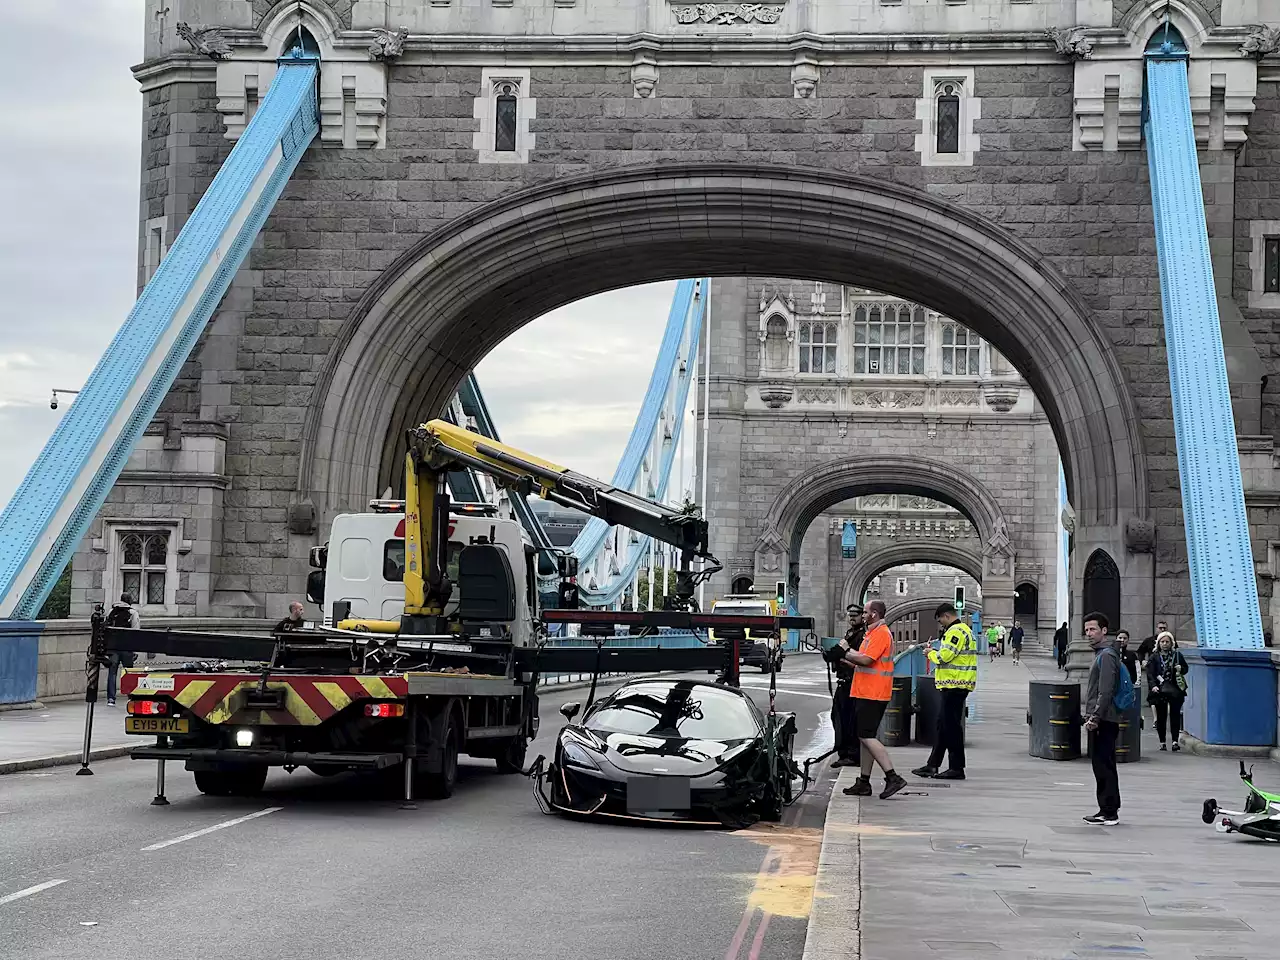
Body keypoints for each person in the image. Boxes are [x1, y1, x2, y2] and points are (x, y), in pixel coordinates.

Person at [836, 600, 909, 800]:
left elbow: (867, 659)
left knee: (867, 736)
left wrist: (845, 650)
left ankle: (892, 776)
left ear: (874, 614)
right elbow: (863, 662)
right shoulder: (871, 633)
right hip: (864, 690)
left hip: (874, 693)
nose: (862, 614)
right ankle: (864, 782)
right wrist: (844, 659)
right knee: (863, 736)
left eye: (866, 612)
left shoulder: (882, 634)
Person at [912, 603, 978, 780]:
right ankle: (932, 765)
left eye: (940, 619)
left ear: (947, 616)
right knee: (943, 725)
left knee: (951, 727)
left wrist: (930, 653)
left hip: (955, 685)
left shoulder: (955, 631)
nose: (941, 624)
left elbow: (944, 657)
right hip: (956, 684)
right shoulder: (964, 629)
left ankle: (957, 768)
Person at [1082, 611, 1123, 825]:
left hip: (1104, 720)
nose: (1089, 633)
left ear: (1104, 631)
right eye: (1087, 629)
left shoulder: (1106, 656)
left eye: (1093, 629)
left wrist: (1095, 717)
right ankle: (1106, 808)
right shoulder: (1102, 654)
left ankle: (1109, 811)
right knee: (1102, 764)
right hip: (1103, 718)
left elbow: (1105, 691)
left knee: (1103, 765)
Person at [825, 604, 864, 768]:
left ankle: (851, 754)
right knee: (838, 717)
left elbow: (860, 660)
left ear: (862, 616)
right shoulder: (851, 633)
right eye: (850, 615)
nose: (852, 618)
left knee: (849, 720)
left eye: (855, 615)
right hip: (843, 682)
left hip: (852, 682)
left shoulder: (862, 635)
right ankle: (843, 752)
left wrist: (840, 658)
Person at [1146, 631, 1188, 752]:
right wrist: (1153, 685)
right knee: (1161, 716)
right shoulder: (1154, 657)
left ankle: (1175, 741)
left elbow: (1185, 669)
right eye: (1162, 642)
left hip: (1174, 689)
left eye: (1167, 642)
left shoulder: (1177, 656)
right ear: (1158, 643)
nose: (1164, 644)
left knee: (1175, 715)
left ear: (1171, 643)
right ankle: (1162, 741)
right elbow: (1150, 673)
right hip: (1159, 689)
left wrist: (1181, 669)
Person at [103, 592, 141, 706]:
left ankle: (111, 699)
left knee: (112, 673)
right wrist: (135, 650)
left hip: (113, 647)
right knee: (129, 673)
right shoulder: (133, 613)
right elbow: (136, 632)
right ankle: (131, 696)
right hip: (127, 647)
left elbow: (106, 629)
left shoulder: (111, 611)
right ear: (129, 601)